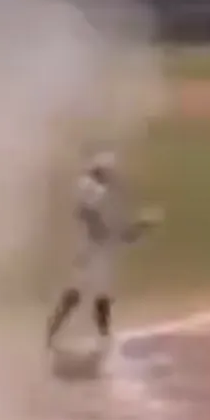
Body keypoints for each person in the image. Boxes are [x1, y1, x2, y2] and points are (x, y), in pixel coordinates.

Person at [44, 149, 161, 352]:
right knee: (82, 294)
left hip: (96, 251)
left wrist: (139, 227)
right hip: (91, 252)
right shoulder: (92, 191)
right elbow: (102, 224)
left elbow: (118, 231)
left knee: (95, 295)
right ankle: (61, 333)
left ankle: (99, 337)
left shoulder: (96, 192)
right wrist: (140, 226)